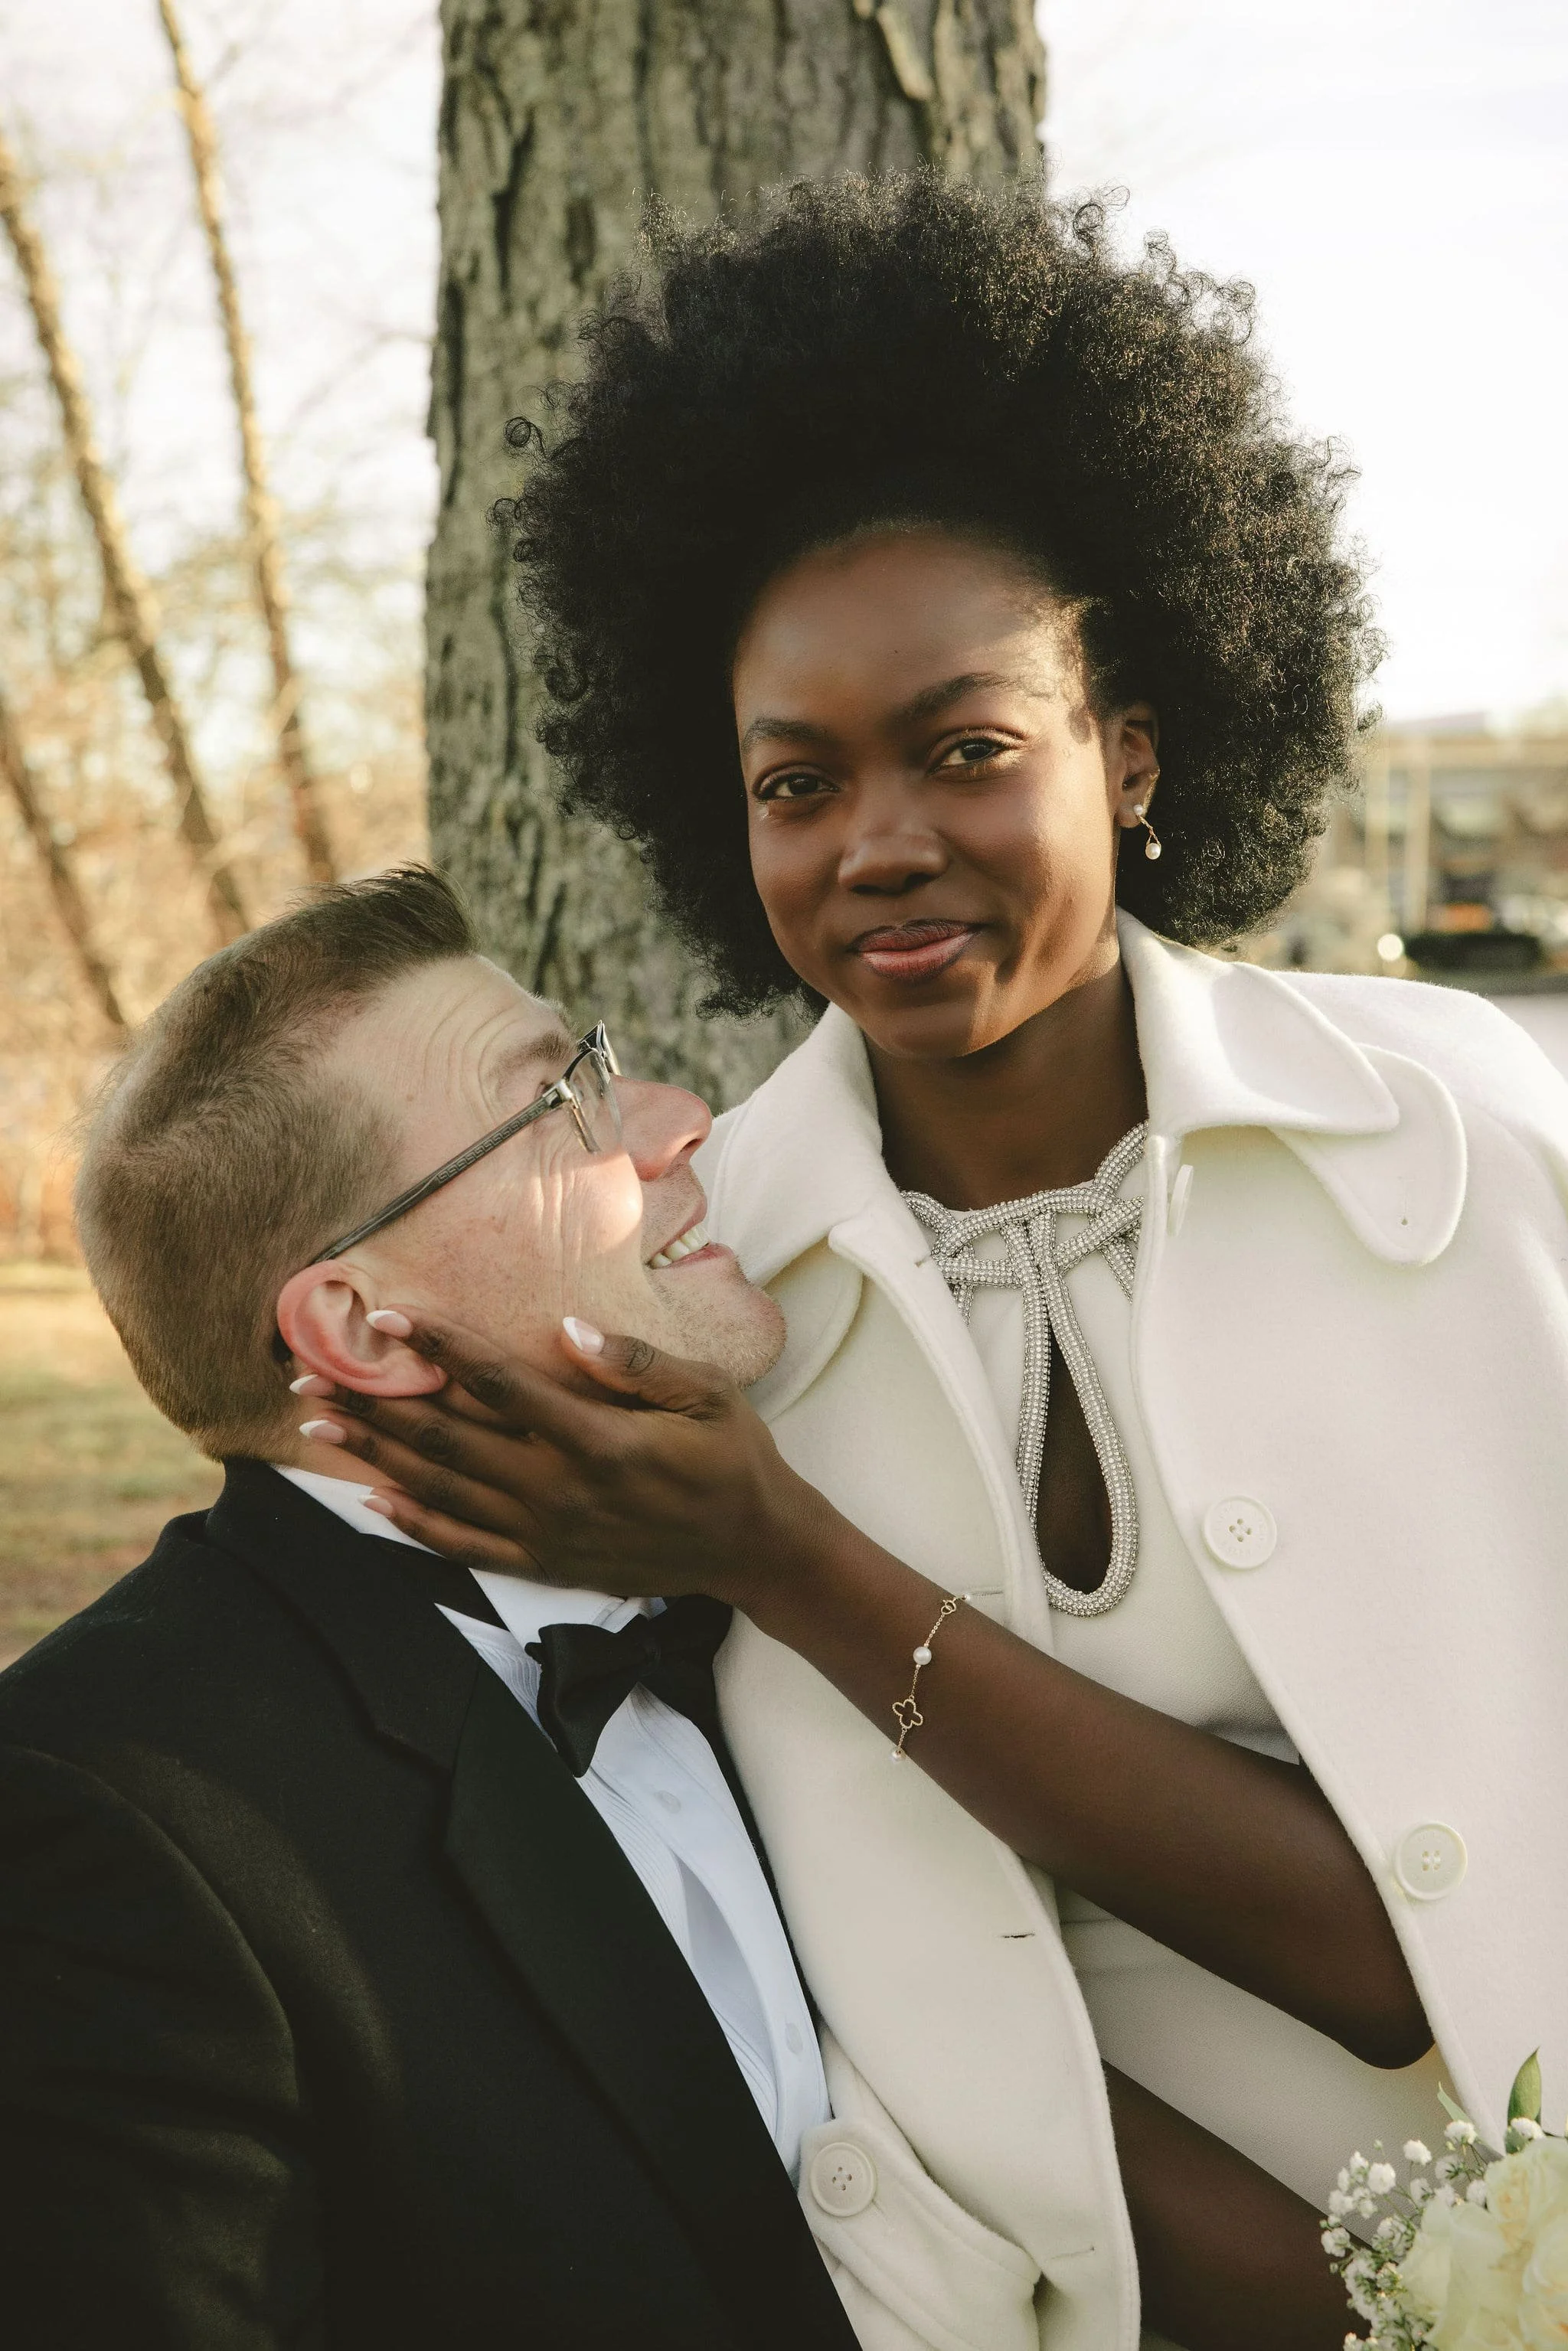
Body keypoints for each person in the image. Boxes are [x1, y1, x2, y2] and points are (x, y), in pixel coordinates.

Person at [300, 180, 1568, 2351]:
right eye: (797, 781)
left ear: (1130, 752)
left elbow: (1396, 1942)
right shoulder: (694, 1298)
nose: (879, 839)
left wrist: (776, 1550)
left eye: (968, 746)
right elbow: (839, 1977)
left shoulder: (1454, 1138)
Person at [0, 868, 862, 2351]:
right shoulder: (110, 1813)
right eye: (563, 1102)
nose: (679, 1120)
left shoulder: (769, 1572)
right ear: (362, 1326)